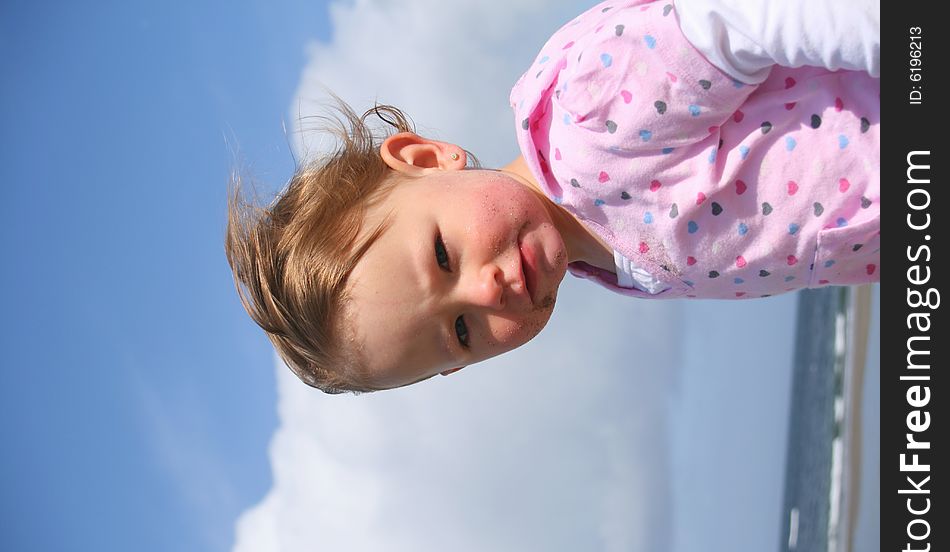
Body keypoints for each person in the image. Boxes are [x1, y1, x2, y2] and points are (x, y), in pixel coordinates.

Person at [225, 0, 880, 394]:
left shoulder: (588, 123)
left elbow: (746, 18)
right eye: (459, 331)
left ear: (426, 159)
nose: (486, 293)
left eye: (444, 256)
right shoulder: (610, 258)